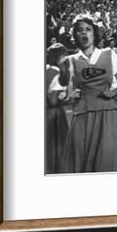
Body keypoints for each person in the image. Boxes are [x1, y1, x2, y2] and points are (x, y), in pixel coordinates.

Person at [61, 14, 117, 173]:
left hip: (107, 114)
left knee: (108, 162)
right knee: (81, 164)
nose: (84, 33)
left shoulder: (109, 54)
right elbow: (68, 94)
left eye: (88, 29)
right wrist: (70, 96)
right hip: (83, 115)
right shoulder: (71, 60)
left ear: (94, 33)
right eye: (80, 30)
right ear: (75, 35)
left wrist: (112, 92)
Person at [45, 43, 73, 173]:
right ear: (58, 56)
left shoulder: (46, 69)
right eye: (64, 54)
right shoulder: (55, 72)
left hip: (48, 113)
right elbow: (53, 99)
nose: (66, 57)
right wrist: (66, 97)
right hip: (54, 113)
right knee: (57, 146)